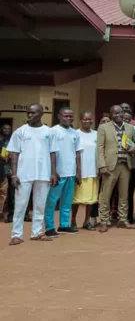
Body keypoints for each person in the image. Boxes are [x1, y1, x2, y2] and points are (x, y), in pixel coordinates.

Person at [7, 104, 53, 245]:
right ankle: (16, 234)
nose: (30, 115)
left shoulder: (49, 132)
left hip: (43, 173)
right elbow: (14, 153)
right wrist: (14, 175)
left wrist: (53, 173)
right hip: (23, 174)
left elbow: (53, 153)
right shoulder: (20, 132)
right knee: (20, 205)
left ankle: (37, 232)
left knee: (40, 205)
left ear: (41, 113)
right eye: (28, 113)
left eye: (33, 113)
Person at [96, 105, 135, 232]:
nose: (119, 115)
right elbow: (100, 148)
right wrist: (102, 165)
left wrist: (133, 148)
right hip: (110, 166)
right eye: (115, 113)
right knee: (106, 195)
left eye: (120, 112)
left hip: (125, 165)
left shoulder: (130, 128)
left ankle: (123, 220)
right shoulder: (104, 128)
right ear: (111, 114)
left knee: (124, 195)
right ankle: (103, 220)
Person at [44, 107, 81, 237]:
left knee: (67, 201)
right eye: (66, 116)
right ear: (59, 116)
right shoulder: (52, 131)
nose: (69, 118)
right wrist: (53, 172)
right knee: (52, 201)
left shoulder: (75, 133)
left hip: (70, 173)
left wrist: (78, 172)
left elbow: (77, 154)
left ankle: (64, 225)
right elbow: (50, 152)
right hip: (58, 173)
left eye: (71, 116)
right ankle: (49, 227)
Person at [71, 111, 98, 230]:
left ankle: (87, 221)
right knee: (76, 199)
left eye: (89, 119)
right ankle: (73, 221)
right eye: (85, 119)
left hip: (93, 171)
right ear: (80, 120)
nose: (87, 121)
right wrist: (77, 171)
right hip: (79, 172)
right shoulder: (75, 134)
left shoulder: (96, 134)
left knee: (90, 199)